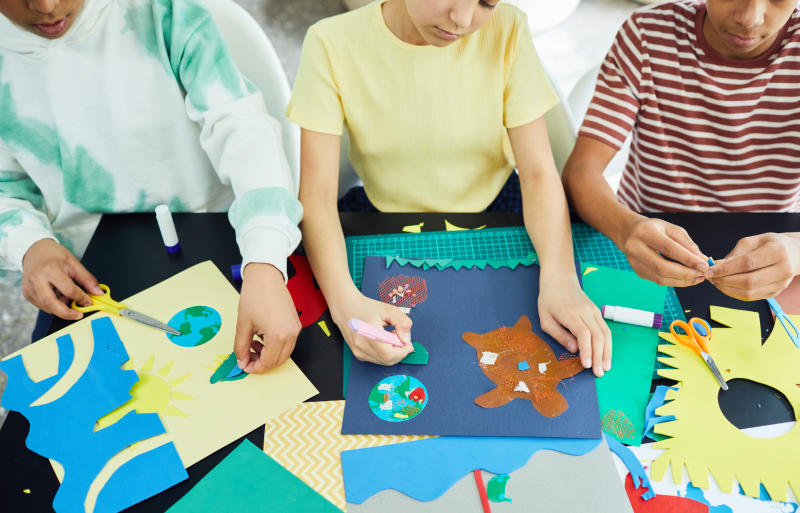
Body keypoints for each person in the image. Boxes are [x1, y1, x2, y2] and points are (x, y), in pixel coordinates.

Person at [288, 0, 611, 377]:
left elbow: (539, 173)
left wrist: (561, 278)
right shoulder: (330, 42)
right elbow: (315, 196)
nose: (461, 19)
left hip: (500, 205)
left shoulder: (508, 28)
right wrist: (345, 306)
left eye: (487, 2)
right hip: (384, 214)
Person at [0, 0, 302, 372]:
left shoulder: (164, 14)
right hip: (84, 271)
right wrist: (29, 245)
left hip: (222, 241)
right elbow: (5, 192)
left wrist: (265, 263)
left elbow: (248, 137)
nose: (46, 6)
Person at [563, 0, 800, 301]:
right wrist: (625, 228)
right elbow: (581, 169)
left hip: (775, 256)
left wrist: (795, 250)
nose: (750, 18)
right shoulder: (647, 35)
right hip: (645, 246)